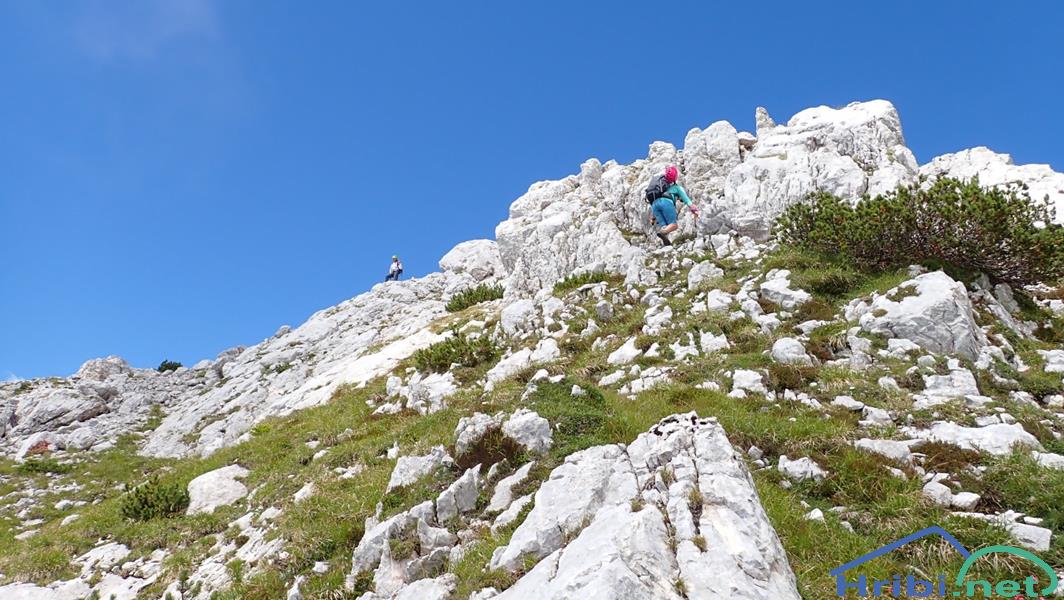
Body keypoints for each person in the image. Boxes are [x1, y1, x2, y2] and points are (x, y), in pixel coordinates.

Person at [648, 165, 699, 246]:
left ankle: (667, 244)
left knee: (665, 226)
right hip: (666, 203)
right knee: (673, 225)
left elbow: (657, 201)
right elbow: (687, 200)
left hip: (654, 205)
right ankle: (662, 233)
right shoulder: (676, 187)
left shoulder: (660, 189)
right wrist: (695, 210)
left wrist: (653, 218)